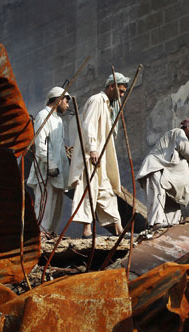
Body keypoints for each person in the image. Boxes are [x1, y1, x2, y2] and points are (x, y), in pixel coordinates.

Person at [68, 72, 129, 238]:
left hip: (100, 155)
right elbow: (88, 126)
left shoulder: (108, 105)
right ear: (111, 87)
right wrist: (93, 148)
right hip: (90, 155)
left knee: (106, 191)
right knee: (88, 189)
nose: (122, 95)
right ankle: (87, 231)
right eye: (121, 91)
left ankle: (119, 229)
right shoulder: (96, 100)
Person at [137, 117, 189, 229]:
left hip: (167, 177)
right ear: (187, 127)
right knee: (158, 194)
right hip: (156, 170)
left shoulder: (179, 150)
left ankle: (171, 227)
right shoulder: (178, 133)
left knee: (173, 204)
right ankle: (156, 222)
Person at [27, 86, 71, 239]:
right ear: (57, 100)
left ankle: (49, 235)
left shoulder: (57, 120)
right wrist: (51, 164)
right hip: (46, 170)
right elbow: (40, 144)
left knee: (56, 207)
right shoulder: (43, 115)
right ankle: (41, 237)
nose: (67, 105)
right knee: (45, 206)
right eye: (66, 101)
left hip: (58, 172)